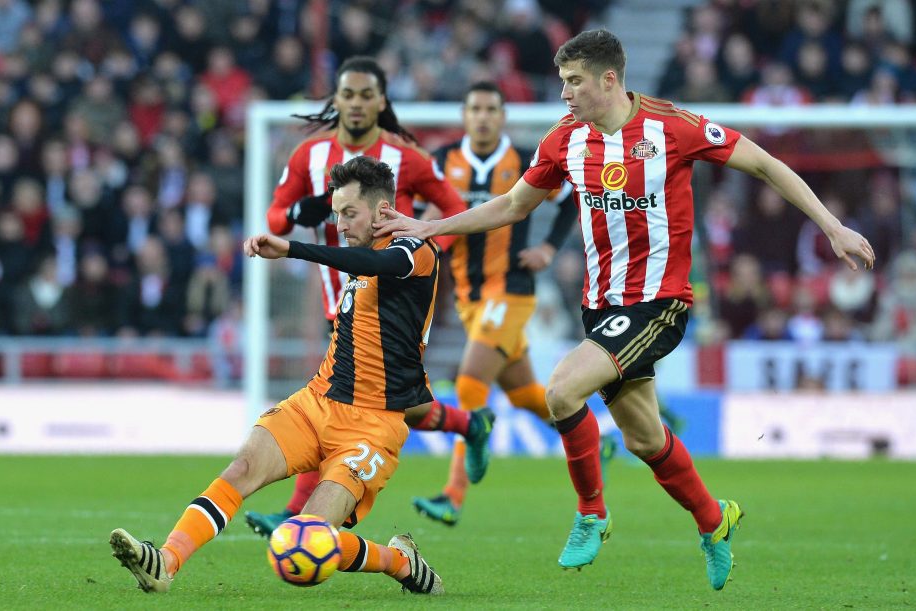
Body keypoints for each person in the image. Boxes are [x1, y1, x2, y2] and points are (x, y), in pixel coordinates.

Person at [374, 29, 876, 590]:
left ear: (608, 80)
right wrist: (430, 226)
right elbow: (515, 204)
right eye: (562, 81)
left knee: (562, 389)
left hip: (660, 304)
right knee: (645, 440)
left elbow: (764, 165)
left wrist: (832, 227)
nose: (564, 93)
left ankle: (592, 513)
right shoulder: (565, 139)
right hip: (601, 307)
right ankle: (715, 519)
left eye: (573, 82)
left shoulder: (673, 128)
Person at [110, 156, 444, 596]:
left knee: (311, 538)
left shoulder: (416, 251)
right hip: (316, 401)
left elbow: (374, 265)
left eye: (349, 213)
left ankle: (399, 561)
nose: (340, 224)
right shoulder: (361, 255)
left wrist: (291, 248)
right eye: (336, 214)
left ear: (383, 210)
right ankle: (165, 562)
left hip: (371, 425)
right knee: (242, 467)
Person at [246, 55, 493, 537]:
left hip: (388, 297)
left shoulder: (407, 158)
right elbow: (275, 220)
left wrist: (422, 255)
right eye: (348, 94)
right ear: (335, 100)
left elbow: (455, 211)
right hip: (336, 294)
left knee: (350, 401)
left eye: (366, 95)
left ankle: (296, 512)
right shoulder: (308, 156)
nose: (356, 104)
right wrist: (303, 209)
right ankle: (468, 424)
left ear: (382, 101)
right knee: (375, 401)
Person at [411, 81, 576, 526]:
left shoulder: (524, 160)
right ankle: (593, 438)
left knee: (468, 387)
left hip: (512, 290)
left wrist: (548, 248)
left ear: (502, 116)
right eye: (475, 109)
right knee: (525, 396)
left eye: (490, 109)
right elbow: (429, 217)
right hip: (469, 297)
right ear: (464, 116)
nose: (482, 117)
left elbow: (571, 200)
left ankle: (453, 495)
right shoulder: (441, 162)